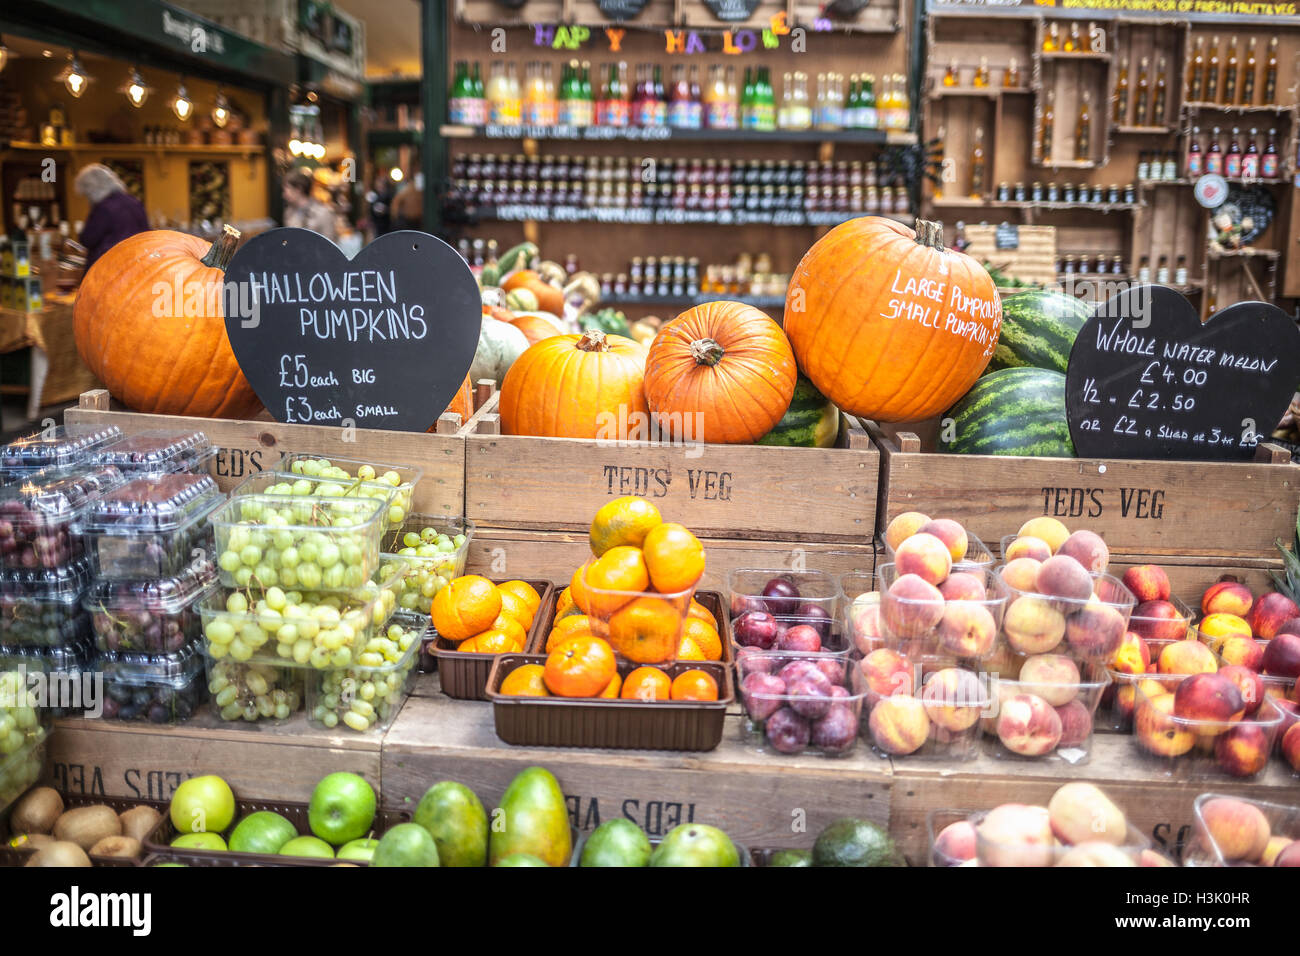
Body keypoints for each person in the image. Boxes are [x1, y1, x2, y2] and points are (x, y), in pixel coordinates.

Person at [74, 164, 149, 271]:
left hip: (108, 268)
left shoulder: (103, 208)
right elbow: (147, 234)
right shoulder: (135, 202)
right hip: (136, 264)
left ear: (92, 190)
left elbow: (88, 239)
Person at [282, 169, 338, 241]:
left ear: (298, 189)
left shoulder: (323, 213)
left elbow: (330, 244)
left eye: (286, 189)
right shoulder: (288, 212)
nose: (284, 195)